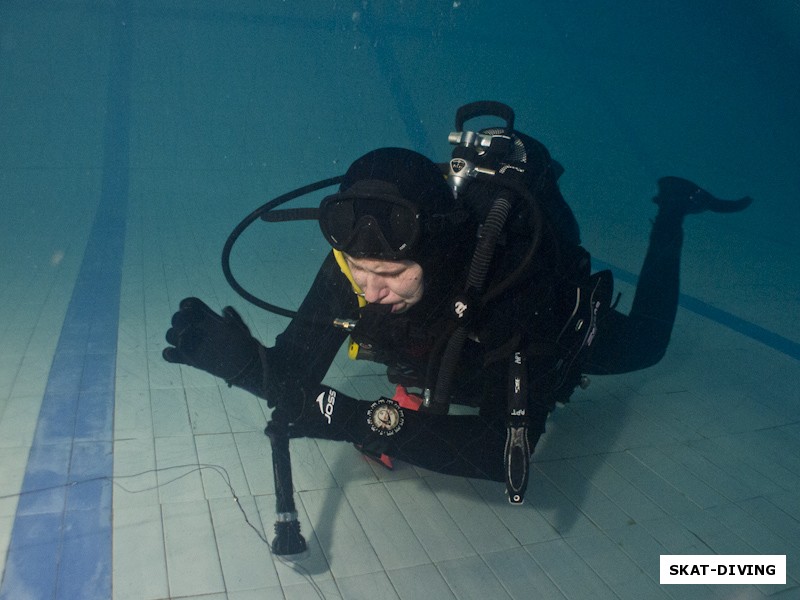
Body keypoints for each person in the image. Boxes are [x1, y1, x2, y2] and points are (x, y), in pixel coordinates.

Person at [163, 113, 751, 501]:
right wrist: (241, 364)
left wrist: (362, 419)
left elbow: (504, 458)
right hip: (444, 357)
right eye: (357, 272)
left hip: (554, 340)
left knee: (648, 345)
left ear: (435, 253)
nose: (369, 291)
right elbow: (296, 380)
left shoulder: (508, 287)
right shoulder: (362, 255)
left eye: (391, 276)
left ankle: (673, 211)